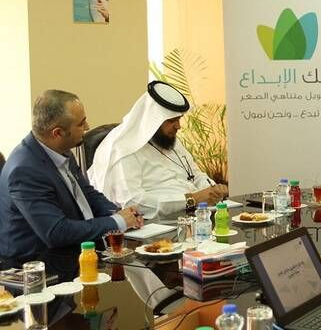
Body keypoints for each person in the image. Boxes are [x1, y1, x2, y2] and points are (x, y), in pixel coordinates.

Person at [0, 90, 143, 259]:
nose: (87, 127)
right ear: (58, 133)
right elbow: (56, 232)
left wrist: (119, 213)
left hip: (76, 251)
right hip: (39, 264)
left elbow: (87, 193)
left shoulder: (59, 149)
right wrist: (118, 221)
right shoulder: (24, 170)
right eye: (81, 123)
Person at [88, 81, 228, 219]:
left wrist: (213, 190)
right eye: (171, 121)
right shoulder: (123, 150)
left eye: (179, 119)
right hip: (156, 223)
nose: (178, 126)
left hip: (194, 215)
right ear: (152, 120)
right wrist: (191, 199)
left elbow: (196, 175)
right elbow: (133, 202)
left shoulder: (170, 141)